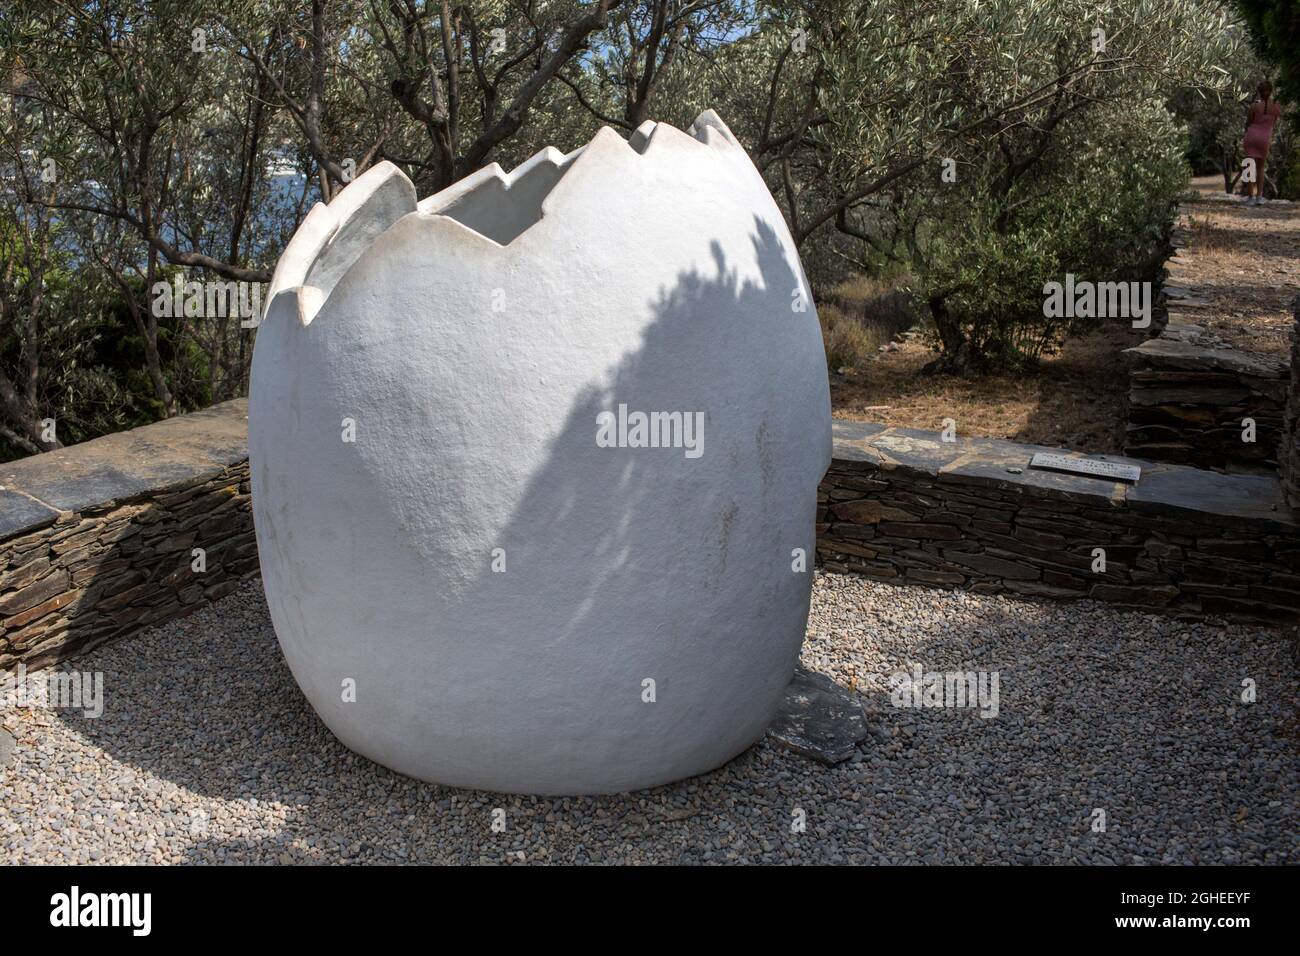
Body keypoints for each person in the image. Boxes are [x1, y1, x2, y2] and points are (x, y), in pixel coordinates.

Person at [1242, 80, 1282, 205]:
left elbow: (1249, 122)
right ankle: (1259, 196)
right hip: (1265, 139)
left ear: (1258, 92)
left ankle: (1250, 198)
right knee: (1260, 168)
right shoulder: (1276, 106)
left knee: (1249, 166)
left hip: (1251, 137)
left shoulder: (1254, 106)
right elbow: (1273, 122)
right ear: (1271, 92)